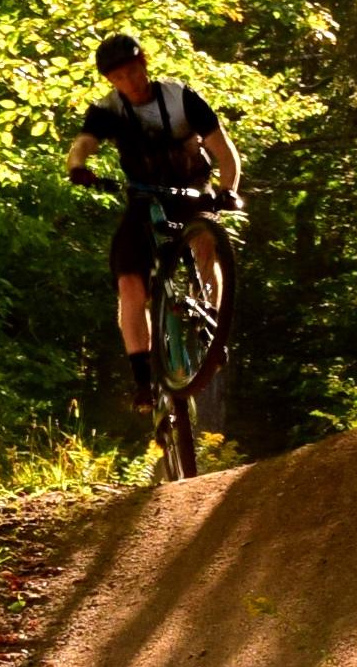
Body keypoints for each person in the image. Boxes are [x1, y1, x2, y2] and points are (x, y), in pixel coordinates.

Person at [65, 34, 242, 411]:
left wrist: (228, 190)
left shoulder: (182, 98)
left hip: (192, 189)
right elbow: (83, 142)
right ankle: (143, 378)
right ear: (111, 82)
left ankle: (212, 322)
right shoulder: (108, 109)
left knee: (206, 238)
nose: (130, 82)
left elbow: (225, 151)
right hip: (143, 196)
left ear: (144, 63)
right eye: (120, 77)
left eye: (133, 71)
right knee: (129, 281)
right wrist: (77, 166)